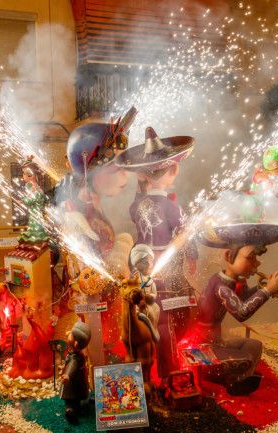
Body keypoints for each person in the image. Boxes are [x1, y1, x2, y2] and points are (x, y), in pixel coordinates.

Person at [55, 107, 137, 362]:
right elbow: (90, 280)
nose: (125, 175)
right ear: (88, 169)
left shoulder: (92, 207)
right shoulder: (79, 217)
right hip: (93, 313)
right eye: (115, 168)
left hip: (106, 307)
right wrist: (121, 253)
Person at [115, 126, 196, 380]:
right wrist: (192, 256)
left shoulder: (135, 205)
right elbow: (185, 233)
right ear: (174, 170)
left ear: (143, 175)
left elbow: (135, 214)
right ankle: (168, 368)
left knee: (143, 311)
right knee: (165, 317)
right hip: (165, 266)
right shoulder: (172, 207)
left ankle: (143, 370)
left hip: (139, 263)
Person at [184, 222, 278, 395]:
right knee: (246, 359)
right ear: (228, 256)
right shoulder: (220, 285)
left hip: (217, 342)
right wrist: (268, 290)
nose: (256, 264)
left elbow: (244, 299)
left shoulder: (235, 281)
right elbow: (242, 312)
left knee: (254, 345)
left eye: (256, 258)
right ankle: (234, 379)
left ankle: (240, 376)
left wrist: (264, 288)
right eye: (250, 258)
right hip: (201, 348)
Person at [60, 320, 92, 423]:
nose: (69, 333)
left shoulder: (75, 358)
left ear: (76, 343)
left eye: (72, 334)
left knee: (71, 399)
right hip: (78, 382)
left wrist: (67, 375)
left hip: (72, 384)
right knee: (76, 398)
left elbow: (72, 366)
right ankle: (75, 407)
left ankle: (71, 410)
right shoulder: (77, 353)